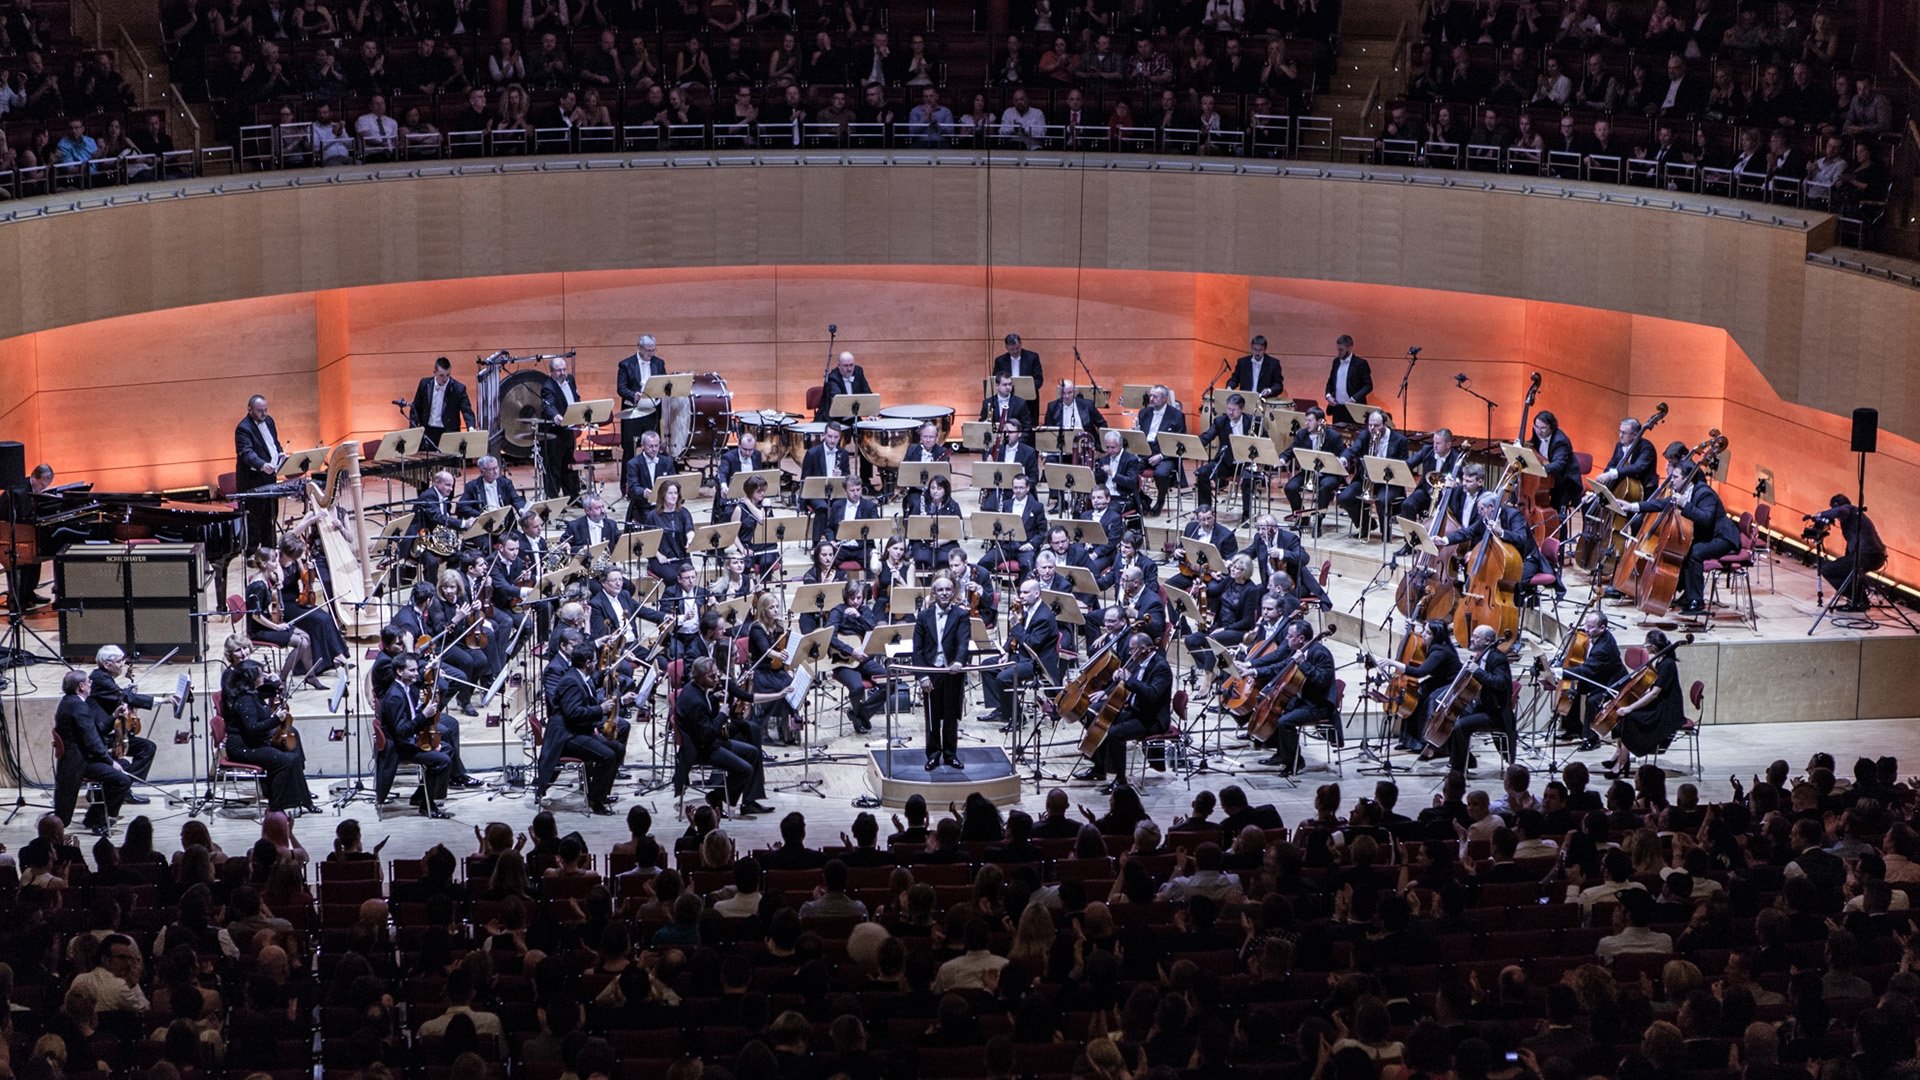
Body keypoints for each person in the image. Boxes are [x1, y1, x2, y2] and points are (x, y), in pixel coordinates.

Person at [1621, 460, 1738, 616]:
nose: (1671, 479)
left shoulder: (1704, 493)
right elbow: (1661, 504)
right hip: (1706, 535)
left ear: (1687, 478)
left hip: (1722, 537)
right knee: (1683, 550)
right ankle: (1685, 595)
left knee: (1695, 553)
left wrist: (1685, 505)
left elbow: (1706, 519)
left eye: (1675, 477)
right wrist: (1633, 506)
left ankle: (1696, 601)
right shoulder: (1682, 491)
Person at [1073, 630, 1173, 792]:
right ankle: (1099, 768)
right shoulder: (1136, 661)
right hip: (1135, 710)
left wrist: (1129, 679)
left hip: (1151, 718)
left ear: (1143, 648)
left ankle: (1120, 780)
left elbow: (1152, 694)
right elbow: (1124, 683)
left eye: (1132, 649)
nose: (1129, 653)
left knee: (1114, 734)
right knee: (1095, 714)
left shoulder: (1161, 667)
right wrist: (1110, 689)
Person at [674, 657, 774, 815]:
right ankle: (716, 796)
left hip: (707, 743)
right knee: (745, 769)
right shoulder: (695, 701)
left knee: (753, 752)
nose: (716, 679)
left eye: (716, 675)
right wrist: (722, 715)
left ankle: (734, 800)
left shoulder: (694, 689)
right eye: (711, 676)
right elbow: (706, 735)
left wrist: (714, 698)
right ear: (699, 677)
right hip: (701, 750)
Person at [222, 660, 317, 814]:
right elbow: (252, 729)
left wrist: (276, 684)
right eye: (261, 674)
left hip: (254, 742)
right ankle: (276, 806)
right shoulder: (245, 700)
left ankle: (303, 799)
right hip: (244, 747)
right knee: (286, 761)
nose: (264, 676)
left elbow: (266, 692)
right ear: (252, 678)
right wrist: (276, 719)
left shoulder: (252, 694)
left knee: (293, 750)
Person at [547, 644, 627, 814]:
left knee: (618, 749)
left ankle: (601, 793)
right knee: (608, 756)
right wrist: (601, 709)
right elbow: (573, 713)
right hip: (568, 736)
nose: (598, 664)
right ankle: (595, 801)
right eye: (595, 661)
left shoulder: (580, 677)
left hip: (578, 730)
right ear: (588, 663)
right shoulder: (571, 681)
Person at [87, 645, 174, 797]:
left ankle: (122, 788)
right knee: (145, 749)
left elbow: (118, 695)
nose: (123, 664)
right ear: (107, 664)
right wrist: (164, 700)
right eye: (119, 661)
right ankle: (121, 788)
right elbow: (123, 697)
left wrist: (127, 691)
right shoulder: (99, 679)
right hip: (102, 736)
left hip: (110, 733)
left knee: (147, 748)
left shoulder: (104, 677)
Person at [53, 669, 132, 831]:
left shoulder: (70, 701)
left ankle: (93, 817)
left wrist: (113, 717)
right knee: (122, 780)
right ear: (81, 686)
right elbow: (92, 743)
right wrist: (110, 762)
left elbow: (95, 730)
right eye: (89, 682)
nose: (91, 684)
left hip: (81, 757)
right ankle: (101, 821)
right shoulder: (78, 707)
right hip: (80, 763)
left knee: (125, 766)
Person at [1600, 629, 1686, 777]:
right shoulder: (1660, 660)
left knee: (1629, 717)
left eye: (1646, 644)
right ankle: (1619, 754)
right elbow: (1651, 689)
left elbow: (1655, 693)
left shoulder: (1667, 664)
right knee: (1623, 713)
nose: (1645, 647)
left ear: (1653, 646)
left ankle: (1622, 761)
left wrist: (1630, 707)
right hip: (1660, 703)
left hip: (1668, 710)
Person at [376, 653, 451, 817]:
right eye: (412, 670)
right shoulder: (395, 696)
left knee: (447, 749)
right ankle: (427, 805)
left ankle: (420, 796)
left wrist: (434, 670)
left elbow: (426, 685)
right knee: (443, 760)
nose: (417, 673)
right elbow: (402, 732)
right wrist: (424, 715)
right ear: (399, 672)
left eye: (417, 669)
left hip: (409, 739)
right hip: (400, 747)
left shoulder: (407, 687)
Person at [1434, 625, 1515, 773]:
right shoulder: (1479, 656)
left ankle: (1458, 771)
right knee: (1450, 719)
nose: (1471, 638)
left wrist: (1476, 671)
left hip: (1494, 713)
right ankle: (1466, 760)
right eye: (1473, 635)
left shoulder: (1497, 658)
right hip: (1479, 707)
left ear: (1488, 641)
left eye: (1476, 637)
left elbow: (1500, 683)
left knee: (1461, 726)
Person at [1259, 619, 1335, 775]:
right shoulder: (1301, 650)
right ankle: (1282, 754)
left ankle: (1295, 762)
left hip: (1317, 705)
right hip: (1303, 699)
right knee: (1273, 711)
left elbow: (1322, 680)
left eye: (1290, 636)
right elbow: (1280, 667)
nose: (1286, 638)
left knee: (1284, 722)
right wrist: (1253, 671)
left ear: (1301, 638)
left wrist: (1303, 663)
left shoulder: (1320, 654)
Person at [988, 579, 1061, 733]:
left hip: (1037, 663)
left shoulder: (1044, 617)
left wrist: (1016, 625)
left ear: (1037, 593)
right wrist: (1007, 651)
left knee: (1004, 678)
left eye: (1026, 593)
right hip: (1022, 656)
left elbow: (1032, 644)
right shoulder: (1027, 609)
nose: (1021, 596)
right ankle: (1002, 709)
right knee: (989, 666)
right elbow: (1014, 636)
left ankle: (1017, 718)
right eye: (1020, 592)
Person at [1376, 619, 1460, 752]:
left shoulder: (1440, 652)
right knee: (1414, 695)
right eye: (1424, 630)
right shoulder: (1436, 645)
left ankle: (1429, 745)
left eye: (1428, 633)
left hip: (1450, 685)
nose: (1423, 634)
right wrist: (1412, 630)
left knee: (1428, 701)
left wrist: (1393, 663)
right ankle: (1409, 741)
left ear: (1436, 636)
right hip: (1438, 680)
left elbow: (1420, 672)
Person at [913, 575, 969, 771]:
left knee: (951, 716)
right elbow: (917, 650)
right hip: (931, 670)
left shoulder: (961, 615)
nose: (944, 593)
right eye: (940, 590)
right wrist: (923, 677)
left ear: (953, 592)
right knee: (932, 717)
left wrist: (959, 661)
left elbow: (963, 643)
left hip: (951, 672)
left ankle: (950, 755)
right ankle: (933, 755)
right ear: (934, 593)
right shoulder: (923, 616)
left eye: (948, 589)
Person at [1554, 609, 1625, 750]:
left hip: (1611, 682)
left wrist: (1561, 671)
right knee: (1572, 691)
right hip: (1598, 676)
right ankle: (1574, 729)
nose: (1586, 629)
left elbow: (1585, 671)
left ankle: (1592, 738)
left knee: (1592, 701)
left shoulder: (1604, 648)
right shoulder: (1596, 635)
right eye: (1586, 625)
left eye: (1590, 627)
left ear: (1602, 628)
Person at [1336, 409, 1411, 539]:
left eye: (1376, 425)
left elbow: (1403, 464)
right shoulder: (1365, 435)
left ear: (1385, 424)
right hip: (1366, 479)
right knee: (1344, 498)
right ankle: (1367, 525)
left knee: (1382, 500)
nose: (1372, 428)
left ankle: (1385, 533)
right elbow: (1354, 449)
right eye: (1370, 425)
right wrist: (1343, 459)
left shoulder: (1400, 440)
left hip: (1389, 482)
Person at [825, 579, 888, 733]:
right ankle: (860, 715)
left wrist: (859, 616)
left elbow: (874, 631)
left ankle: (860, 714)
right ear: (846, 597)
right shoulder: (837, 611)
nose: (855, 602)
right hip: (843, 662)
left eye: (858, 598)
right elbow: (829, 637)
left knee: (889, 681)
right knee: (857, 687)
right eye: (852, 598)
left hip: (864, 660)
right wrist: (851, 651)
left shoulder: (865, 611)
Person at [1810, 495, 1884, 612]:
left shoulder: (1848, 509)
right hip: (1876, 556)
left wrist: (1821, 514)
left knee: (1827, 569)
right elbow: (1851, 547)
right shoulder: (1856, 517)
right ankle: (1860, 601)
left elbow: (1842, 510)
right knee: (1845, 569)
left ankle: (1856, 600)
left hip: (1866, 556)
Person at [1196, 393, 1263, 520]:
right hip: (1226, 462)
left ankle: (1246, 514)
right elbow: (1207, 437)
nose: (1230, 413)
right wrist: (1193, 443)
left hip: (1247, 463)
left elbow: (1263, 442)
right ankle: (1205, 511)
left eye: (1234, 410)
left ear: (1241, 409)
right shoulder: (1220, 421)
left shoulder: (1254, 421)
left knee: (1248, 479)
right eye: (1228, 409)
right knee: (1202, 473)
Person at [233, 394, 286, 546]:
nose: (264, 414)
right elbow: (246, 453)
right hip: (253, 481)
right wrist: (262, 465)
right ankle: (252, 554)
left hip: (270, 477)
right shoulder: (243, 428)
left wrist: (280, 454)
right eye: (259, 410)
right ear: (249, 409)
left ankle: (269, 550)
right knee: (254, 520)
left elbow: (273, 443)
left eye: (265, 410)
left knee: (271, 515)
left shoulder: (269, 421)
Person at [1283, 405, 1345, 521]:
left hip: (1329, 474)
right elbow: (1292, 449)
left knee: (1324, 487)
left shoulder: (1333, 436)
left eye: (1309, 421)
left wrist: (1341, 460)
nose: (1306, 424)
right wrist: (1283, 459)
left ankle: (1319, 520)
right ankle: (1302, 517)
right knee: (1290, 488)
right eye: (1305, 420)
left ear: (1320, 421)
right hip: (1308, 472)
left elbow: (1342, 454)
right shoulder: (1302, 434)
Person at [1133, 384, 1186, 514]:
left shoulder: (1177, 416)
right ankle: (1143, 500)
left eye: (1155, 396)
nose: (1151, 399)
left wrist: (1161, 456)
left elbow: (1179, 443)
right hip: (1145, 452)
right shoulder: (1143, 413)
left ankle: (1160, 501)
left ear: (1164, 399)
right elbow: (1140, 435)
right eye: (1150, 395)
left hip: (1165, 455)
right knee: (1129, 470)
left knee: (1161, 473)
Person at [615, 334, 667, 463]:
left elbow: (663, 383)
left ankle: (653, 480)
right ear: (639, 347)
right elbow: (621, 388)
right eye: (648, 350)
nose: (651, 353)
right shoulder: (626, 364)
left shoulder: (659, 363)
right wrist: (634, 395)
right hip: (633, 412)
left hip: (652, 412)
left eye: (653, 350)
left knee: (653, 448)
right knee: (630, 449)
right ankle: (626, 483)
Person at [537, 356, 584, 498]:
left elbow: (574, 399)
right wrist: (555, 416)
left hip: (568, 431)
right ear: (551, 372)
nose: (562, 373)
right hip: (554, 434)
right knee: (554, 468)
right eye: (558, 370)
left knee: (569, 465)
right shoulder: (548, 387)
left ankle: (573, 496)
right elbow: (548, 406)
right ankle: (554, 500)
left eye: (564, 369)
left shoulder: (570, 379)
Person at [1529, 409, 1582, 514]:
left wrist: (1541, 469)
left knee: (1557, 512)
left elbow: (1559, 464)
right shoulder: (1537, 432)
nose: (1539, 431)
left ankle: (1559, 528)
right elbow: (1532, 446)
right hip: (1550, 477)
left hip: (1564, 480)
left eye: (1543, 428)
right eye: (1536, 427)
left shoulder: (1560, 441)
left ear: (1551, 427)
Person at [622, 429, 673, 523]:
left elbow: (673, 482)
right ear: (643, 446)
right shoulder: (633, 464)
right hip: (644, 506)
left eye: (656, 446)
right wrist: (643, 492)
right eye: (650, 446)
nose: (654, 449)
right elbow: (633, 487)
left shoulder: (667, 462)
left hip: (664, 504)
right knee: (655, 519)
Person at [458, 455, 523, 519]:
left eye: (496, 467)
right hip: (484, 526)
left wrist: (521, 510)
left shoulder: (506, 483)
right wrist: (481, 515)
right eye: (491, 469)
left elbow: (516, 499)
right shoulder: (472, 486)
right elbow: (461, 506)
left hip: (506, 526)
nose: (496, 472)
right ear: (482, 471)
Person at [816, 351, 872, 423]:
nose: (849, 369)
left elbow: (867, 393)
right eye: (845, 366)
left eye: (851, 365)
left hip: (852, 418)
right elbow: (839, 400)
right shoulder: (832, 377)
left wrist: (871, 413)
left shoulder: (858, 371)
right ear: (839, 366)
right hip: (832, 420)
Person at [1325, 334, 1372, 406]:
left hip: (1354, 406)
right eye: (1338, 349)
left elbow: (1368, 386)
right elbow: (1330, 382)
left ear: (1349, 348)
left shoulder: (1361, 363)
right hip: (1337, 407)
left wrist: (1353, 399)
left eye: (1341, 350)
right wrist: (1328, 396)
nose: (1339, 353)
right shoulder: (1336, 362)